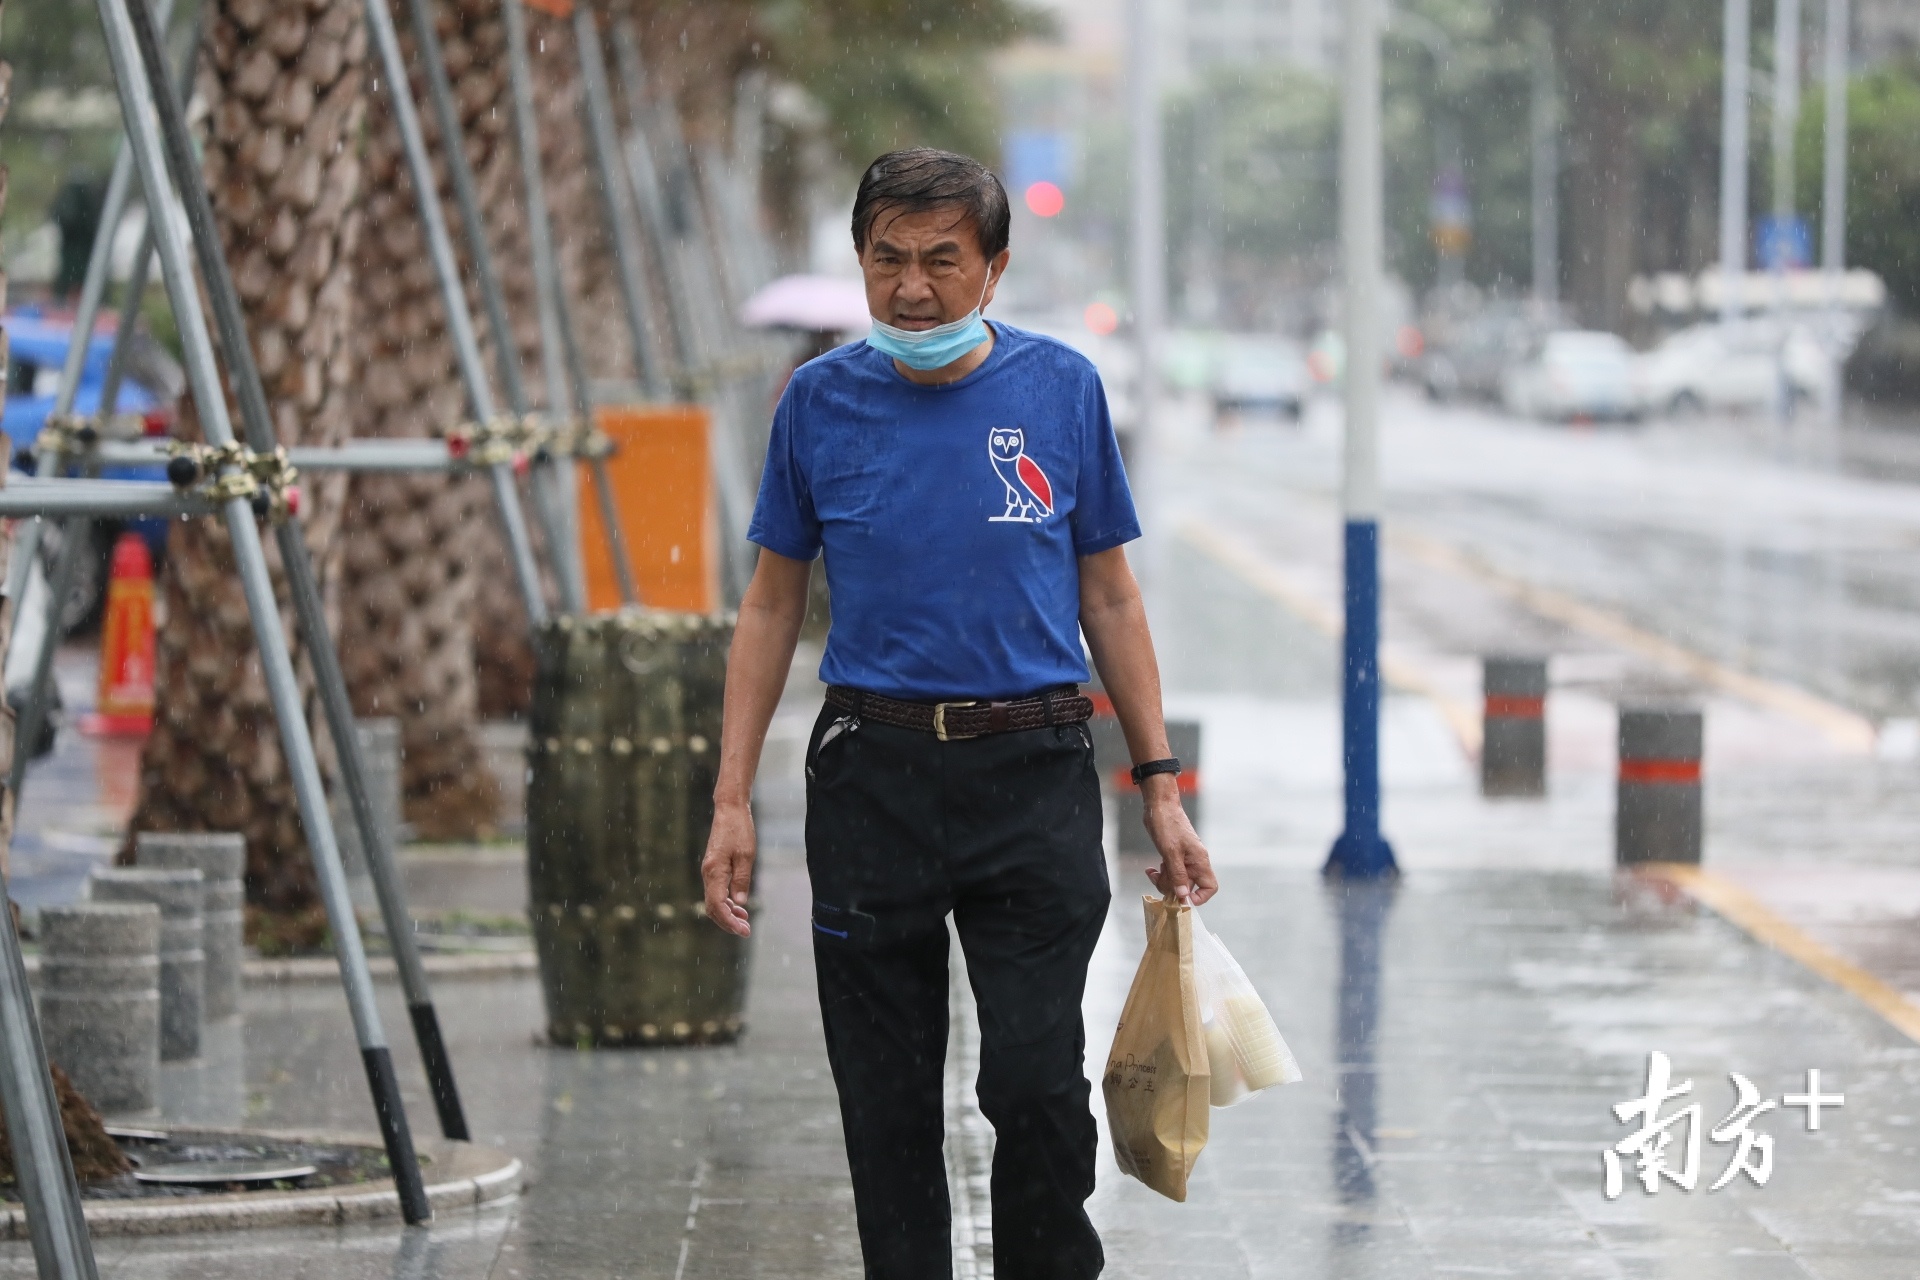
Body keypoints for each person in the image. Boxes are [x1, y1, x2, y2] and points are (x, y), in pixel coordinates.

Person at [700, 147, 1217, 1280]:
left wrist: (1161, 787)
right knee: (885, 1110)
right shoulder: (818, 401)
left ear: (994, 270)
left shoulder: (1062, 391)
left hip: (1030, 771)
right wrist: (731, 798)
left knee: (1034, 1086)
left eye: (942, 260)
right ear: (860, 264)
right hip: (868, 775)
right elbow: (771, 601)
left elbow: (1110, 595)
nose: (912, 288)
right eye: (887, 259)